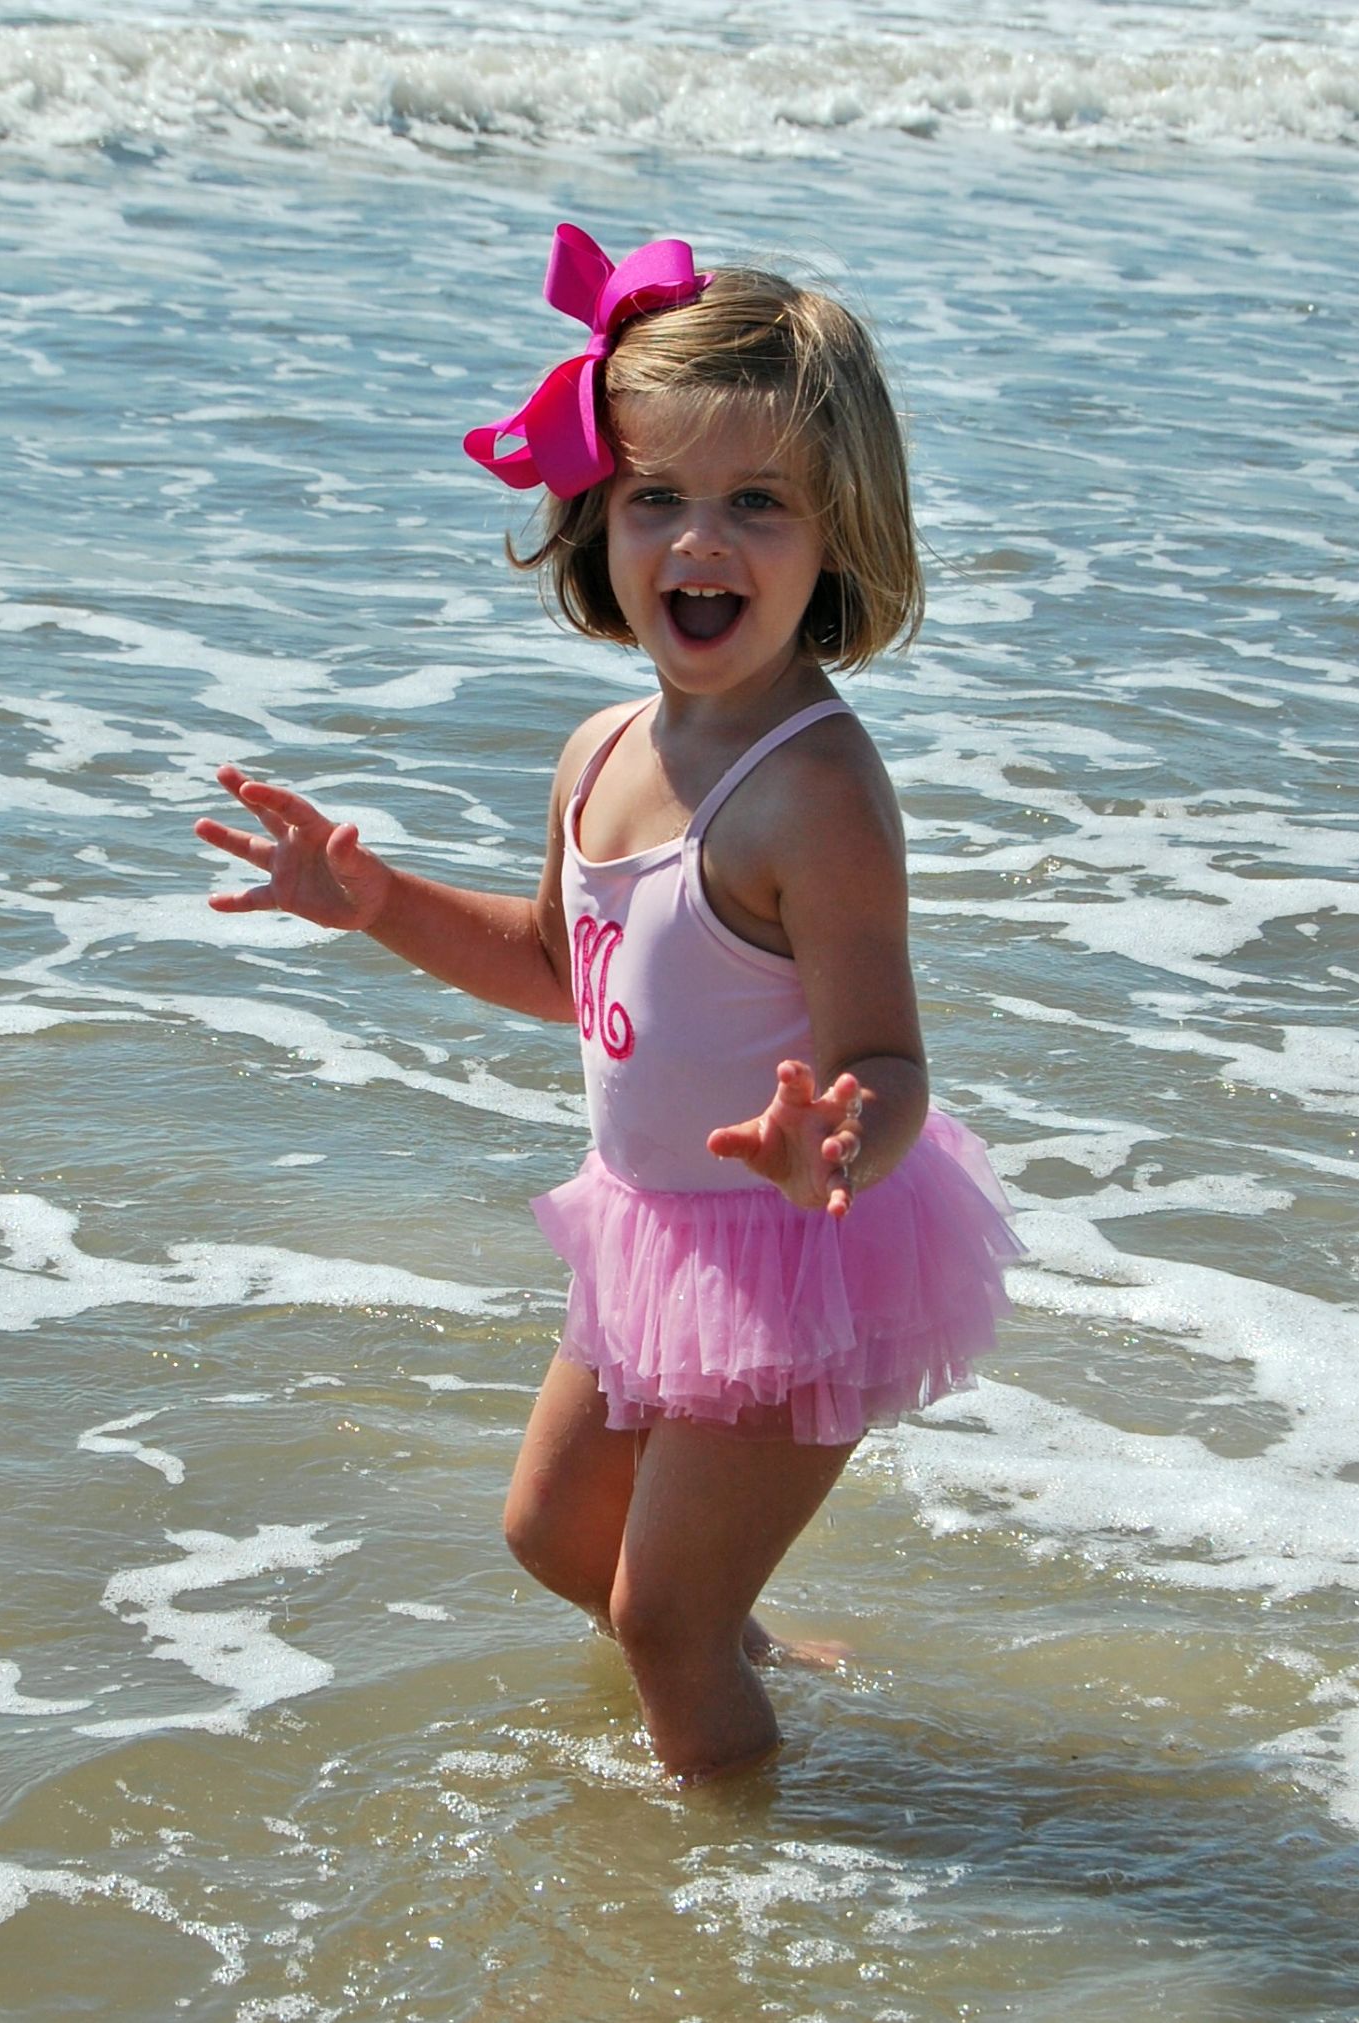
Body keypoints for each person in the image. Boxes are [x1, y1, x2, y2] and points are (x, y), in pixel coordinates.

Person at [194, 222, 1021, 1783]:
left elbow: (886, 1057)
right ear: (597, 519)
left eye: (756, 502)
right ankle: (749, 1655)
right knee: (555, 1537)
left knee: (657, 1619)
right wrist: (373, 901)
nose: (699, 539)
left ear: (836, 535)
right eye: (656, 497)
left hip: (792, 1243)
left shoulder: (816, 795)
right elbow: (549, 966)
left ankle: (727, 1876)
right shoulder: (599, 750)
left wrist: (837, 1144)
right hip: (652, 1228)